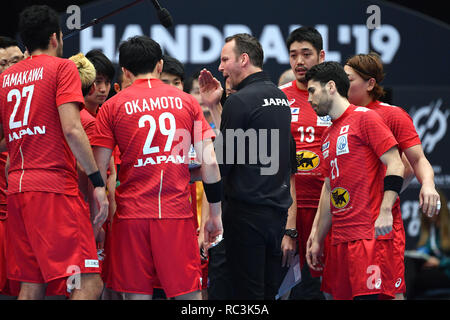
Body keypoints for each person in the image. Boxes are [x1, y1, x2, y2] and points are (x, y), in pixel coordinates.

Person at [91, 35, 223, 300]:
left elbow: (99, 170)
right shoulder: (187, 102)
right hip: (176, 216)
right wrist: (215, 215)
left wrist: (97, 219)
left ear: (125, 71)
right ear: (160, 65)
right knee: (189, 298)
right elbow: (209, 162)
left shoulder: (112, 107)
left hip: (131, 218)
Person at [0, 5, 108, 300]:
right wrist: (98, 183)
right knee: (89, 283)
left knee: (31, 286)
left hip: (17, 190)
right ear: (56, 38)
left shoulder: (5, 78)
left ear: (24, 43)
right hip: (53, 188)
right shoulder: (62, 68)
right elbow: (73, 130)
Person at [343, 52, 441, 299]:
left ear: (370, 83)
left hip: (380, 221)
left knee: (390, 293)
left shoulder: (392, 115)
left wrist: (427, 185)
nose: (343, 85)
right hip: (346, 224)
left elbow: (417, 160)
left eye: (349, 79)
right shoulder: (339, 119)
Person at [306, 61, 405, 300]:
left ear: (330, 86)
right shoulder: (328, 134)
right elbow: (330, 188)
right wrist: (318, 238)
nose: (309, 99)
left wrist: (385, 211)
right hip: (340, 240)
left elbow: (396, 163)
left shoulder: (365, 118)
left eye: (312, 90)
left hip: (368, 237)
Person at [215, 33, 294, 299]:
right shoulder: (281, 99)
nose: (220, 67)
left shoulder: (239, 100)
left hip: (245, 217)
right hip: (277, 217)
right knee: (268, 292)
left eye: (225, 59)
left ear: (244, 59)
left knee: (247, 296)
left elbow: (223, 164)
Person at [280, 26, 330, 299]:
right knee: (284, 290)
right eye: (293, 55)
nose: (299, 61)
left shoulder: (334, 98)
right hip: (287, 210)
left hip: (327, 210)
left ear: (321, 56)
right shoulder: (277, 97)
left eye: (306, 54)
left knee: (324, 290)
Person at [405, 190, 450, 299]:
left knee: (415, 279)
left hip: (446, 270)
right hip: (433, 268)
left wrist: (440, 263)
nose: (428, 211)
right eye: (425, 208)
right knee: (408, 264)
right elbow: (426, 249)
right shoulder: (429, 227)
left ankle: (405, 296)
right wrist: (420, 255)